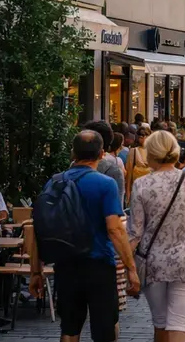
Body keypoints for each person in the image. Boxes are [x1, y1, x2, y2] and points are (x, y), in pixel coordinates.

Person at [31, 131, 140, 342]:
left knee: (70, 329)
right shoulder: (105, 184)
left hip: (65, 264)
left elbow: (39, 229)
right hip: (98, 264)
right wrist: (131, 267)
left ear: (73, 153)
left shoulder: (54, 183)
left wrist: (36, 270)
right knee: (105, 329)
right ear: (101, 154)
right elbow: (115, 230)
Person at [127, 131, 185, 341]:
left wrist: (128, 268)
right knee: (179, 323)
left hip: (153, 261)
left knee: (160, 322)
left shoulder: (142, 185)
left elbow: (134, 233)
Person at [125, 124, 152, 204]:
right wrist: (128, 195)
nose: (144, 138)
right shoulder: (133, 151)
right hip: (136, 191)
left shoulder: (153, 151)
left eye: (146, 136)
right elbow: (129, 175)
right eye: (141, 137)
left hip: (151, 192)